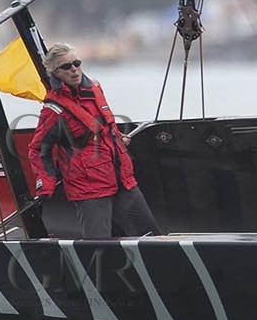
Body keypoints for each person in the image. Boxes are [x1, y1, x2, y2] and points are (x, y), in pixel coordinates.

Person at [35, 44, 162, 239]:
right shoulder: (53, 111)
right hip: (89, 189)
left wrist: (118, 138)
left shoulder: (95, 88)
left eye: (76, 63)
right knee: (100, 248)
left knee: (151, 237)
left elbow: (105, 126)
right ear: (55, 73)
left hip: (122, 178)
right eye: (66, 66)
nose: (74, 69)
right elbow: (37, 150)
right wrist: (46, 184)